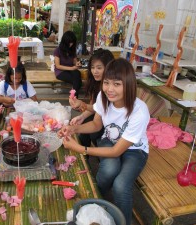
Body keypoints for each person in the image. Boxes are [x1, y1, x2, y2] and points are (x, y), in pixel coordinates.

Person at [58, 58, 150, 225]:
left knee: (121, 185)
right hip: (109, 139)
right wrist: (74, 129)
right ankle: (94, 206)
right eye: (106, 83)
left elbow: (116, 152)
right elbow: (96, 124)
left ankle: (123, 222)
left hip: (135, 150)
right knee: (109, 171)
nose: (109, 89)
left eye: (116, 84)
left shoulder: (139, 111)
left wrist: (80, 148)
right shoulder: (103, 97)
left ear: (128, 84)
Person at [69, 49, 114, 147]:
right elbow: (94, 106)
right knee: (85, 123)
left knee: (94, 133)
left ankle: (98, 154)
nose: (95, 71)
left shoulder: (111, 88)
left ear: (109, 68)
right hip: (100, 116)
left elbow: (100, 108)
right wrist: (81, 116)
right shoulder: (95, 83)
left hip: (111, 121)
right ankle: (84, 155)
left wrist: (82, 105)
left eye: (99, 68)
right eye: (92, 67)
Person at [54, 31, 82, 98]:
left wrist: (77, 63)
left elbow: (74, 61)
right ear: (65, 42)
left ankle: (73, 97)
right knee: (78, 81)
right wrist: (72, 68)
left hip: (70, 70)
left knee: (77, 74)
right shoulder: (58, 50)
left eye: (72, 42)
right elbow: (58, 66)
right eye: (69, 42)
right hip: (60, 72)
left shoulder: (72, 50)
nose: (71, 44)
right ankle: (74, 98)